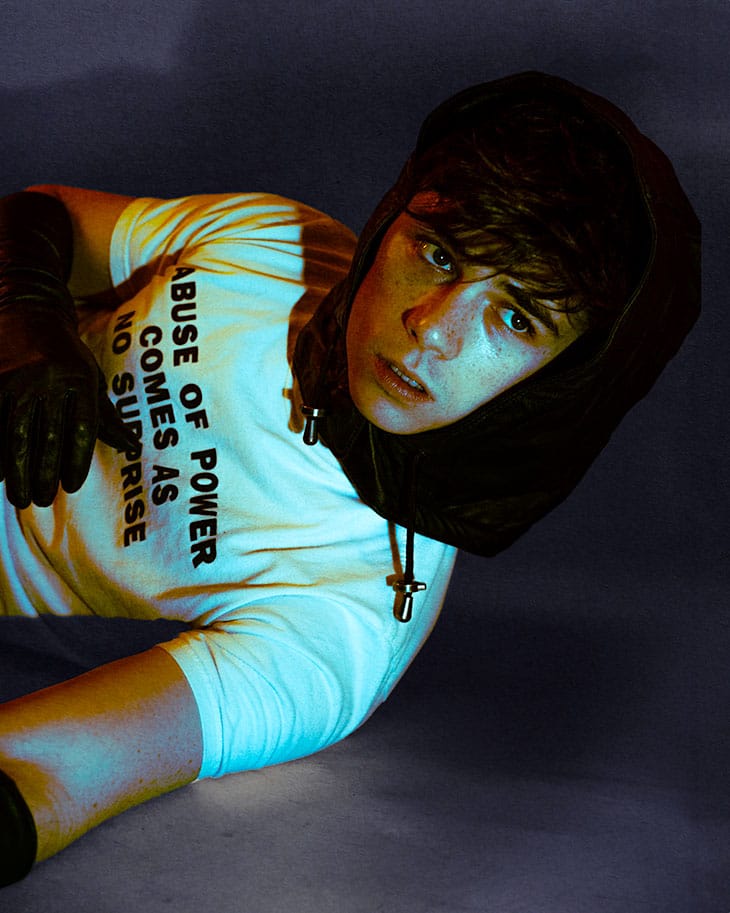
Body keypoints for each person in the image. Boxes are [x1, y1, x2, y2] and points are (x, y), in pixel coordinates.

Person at [0, 71, 699, 886]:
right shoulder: (281, 241)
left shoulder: (344, 623)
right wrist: (23, 306)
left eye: (517, 316)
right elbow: (43, 215)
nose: (431, 329)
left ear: (565, 383)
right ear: (393, 218)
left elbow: (45, 774)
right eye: (438, 253)